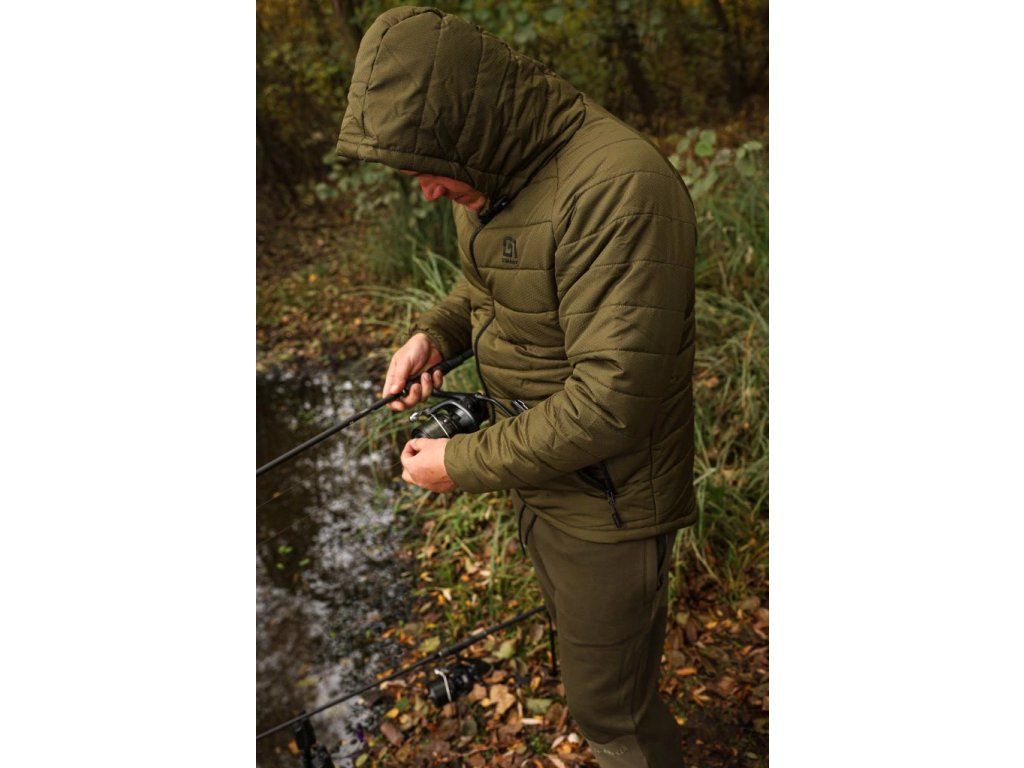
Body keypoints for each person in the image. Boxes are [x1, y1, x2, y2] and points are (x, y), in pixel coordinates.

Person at [335, 7, 695, 767]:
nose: (426, 193)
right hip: (541, 482)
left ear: (471, 131)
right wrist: (435, 336)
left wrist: (460, 463)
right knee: (594, 669)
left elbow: (611, 401)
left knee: (614, 718)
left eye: (427, 168)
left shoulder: (619, 188)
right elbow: (488, 286)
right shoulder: (496, 177)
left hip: (609, 504)